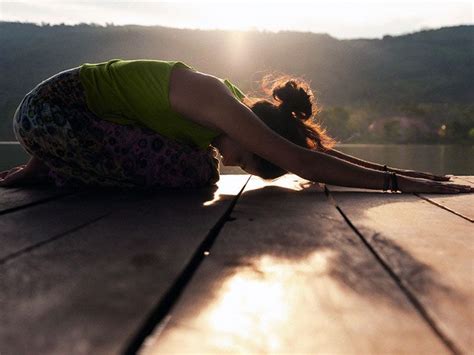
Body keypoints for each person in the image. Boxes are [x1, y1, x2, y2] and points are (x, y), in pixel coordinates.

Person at [0, 58, 472, 193]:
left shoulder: (219, 115)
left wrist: (413, 174)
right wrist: (397, 183)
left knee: (196, 164)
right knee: (198, 173)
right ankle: (53, 171)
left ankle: (51, 169)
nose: (233, 159)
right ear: (254, 135)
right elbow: (300, 161)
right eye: (245, 156)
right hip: (49, 113)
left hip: (63, 123)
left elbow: (310, 154)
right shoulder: (217, 101)